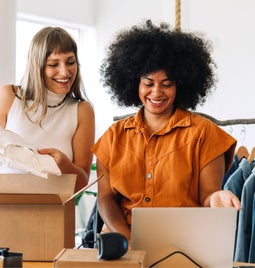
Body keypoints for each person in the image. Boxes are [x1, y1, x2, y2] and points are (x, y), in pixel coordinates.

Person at [91, 20, 241, 242]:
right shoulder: (113, 137)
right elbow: (105, 199)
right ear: (135, 84)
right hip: (121, 244)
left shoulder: (205, 134)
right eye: (148, 83)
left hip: (183, 243)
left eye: (167, 83)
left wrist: (218, 197)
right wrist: (128, 241)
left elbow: (208, 195)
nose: (157, 92)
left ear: (180, 85)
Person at [0, 26, 95, 192]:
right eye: (53, 64)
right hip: (6, 210)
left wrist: (64, 165)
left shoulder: (82, 111)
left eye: (70, 62)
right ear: (37, 66)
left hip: (54, 214)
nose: (65, 72)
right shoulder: (9, 96)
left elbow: (81, 183)